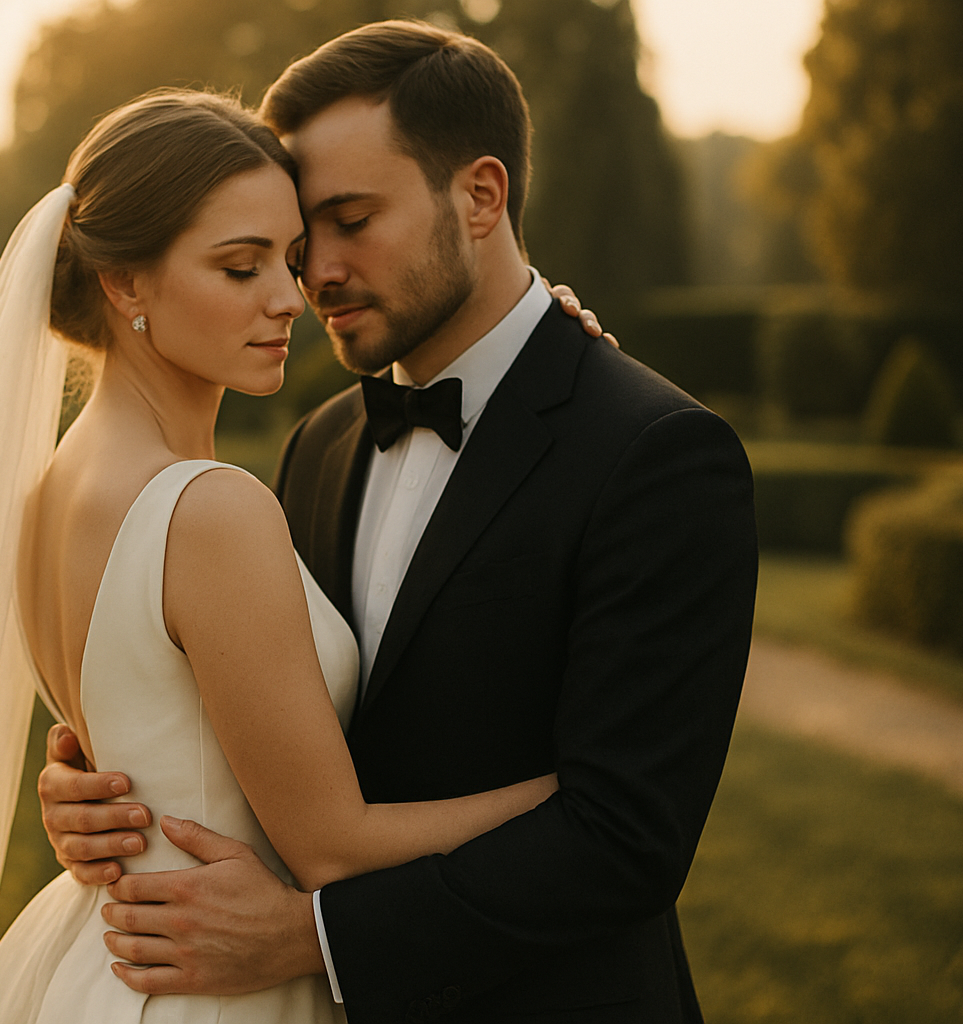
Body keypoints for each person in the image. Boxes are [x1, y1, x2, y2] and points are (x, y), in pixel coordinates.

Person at [0, 86, 600, 1024]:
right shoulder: (209, 510)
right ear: (126, 283)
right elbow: (331, 844)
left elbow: (127, 727)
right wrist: (574, 794)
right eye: (241, 268)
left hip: (95, 960)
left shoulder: (46, 491)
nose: (291, 297)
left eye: (291, 257)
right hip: (215, 984)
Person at [41, 20, 758, 1024]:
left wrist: (316, 937)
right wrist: (106, 786)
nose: (313, 274)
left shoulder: (655, 456)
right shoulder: (319, 444)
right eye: (293, 242)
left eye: (349, 220)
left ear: (480, 196)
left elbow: (627, 839)